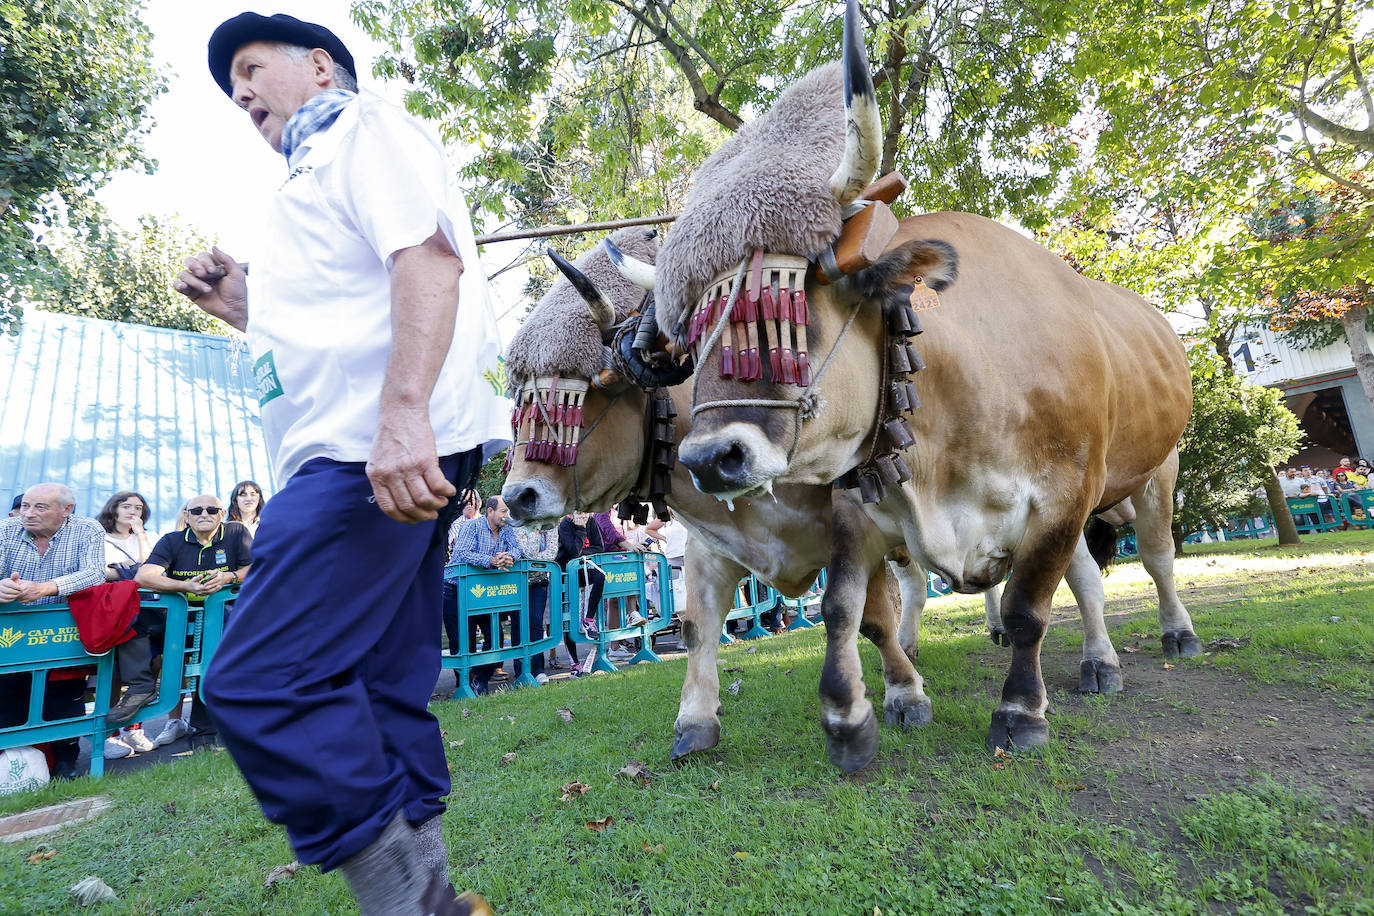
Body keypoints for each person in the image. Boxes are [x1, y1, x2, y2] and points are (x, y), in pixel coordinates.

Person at [175, 14, 506, 914]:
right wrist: (247, 305)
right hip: (372, 447)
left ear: (320, 66)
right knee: (378, 681)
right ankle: (436, 887)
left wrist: (401, 418)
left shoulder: (358, 127)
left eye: (251, 69)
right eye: (231, 86)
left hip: (366, 455)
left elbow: (428, 263)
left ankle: (411, 904)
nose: (240, 93)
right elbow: (344, 328)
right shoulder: (308, 179)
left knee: (260, 679)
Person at [0, 484, 107, 780]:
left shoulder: (87, 529)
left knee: (64, 696)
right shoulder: (6, 529)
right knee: (8, 696)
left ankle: (65, 764)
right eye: (25, 506)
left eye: (40, 507)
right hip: (12, 637)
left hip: (63, 635)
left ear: (67, 509)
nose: (28, 514)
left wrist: (45, 588)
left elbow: (94, 572)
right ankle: (13, 770)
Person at [133, 496, 253, 748]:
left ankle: (206, 731)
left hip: (224, 618)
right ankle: (141, 716)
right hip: (180, 618)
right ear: (186, 516)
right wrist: (184, 586)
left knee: (214, 654)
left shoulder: (235, 532)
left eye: (211, 509)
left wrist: (228, 577)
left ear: (221, 514)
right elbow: (144, 575)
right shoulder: (172, 540)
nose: (204, 514)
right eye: (196, 510)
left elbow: (257, 566)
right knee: (145, 639)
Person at [95, 490, 160, 756]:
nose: (133, 511)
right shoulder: (99, 537)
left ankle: (134, 728)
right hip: (113, 613)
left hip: (148, 611)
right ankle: (107, 736)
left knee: (151, 665)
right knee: (111, 674)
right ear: (114, 509)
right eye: (126, 506)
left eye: (139, 507)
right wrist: (133, 574)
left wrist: (141, 534)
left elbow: (151, 568)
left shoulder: (151, 537)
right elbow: (100, 571)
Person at [449, 497, 522, 695]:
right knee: (464, 640)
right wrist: (490, 560)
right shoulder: (471, 527)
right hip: (455, 589)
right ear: (490, 511)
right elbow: (462, 553)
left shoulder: (506, 528)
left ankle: (480, 679)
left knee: (496, 637)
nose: (507, 516)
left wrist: (509, 557)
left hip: (483, 591)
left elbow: (517, 548)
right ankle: (465, 684)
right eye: (503, 511)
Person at [556, 511, 606, 670]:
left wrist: (582, 554)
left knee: (600, 576)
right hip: (566, 575)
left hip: (584, 569)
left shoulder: (591, 521)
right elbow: (573, 550)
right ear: (571, 513)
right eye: (580, 512)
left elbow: (599, 547)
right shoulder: (564, 525)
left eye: (587, 511)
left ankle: (589, 620)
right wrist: (581, 528)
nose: (585, 515)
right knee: (568, 618)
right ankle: (574, 663)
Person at [513, 524, 558, 683]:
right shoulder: (517, 521)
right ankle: (520, 670)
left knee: (535, 623)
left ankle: (538, 669)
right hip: (516, 581)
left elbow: (552, 553)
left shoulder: (551, 523)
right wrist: (535, 530)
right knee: (518, 624)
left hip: (539, 581)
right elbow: (526, 552)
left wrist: (535, 560)